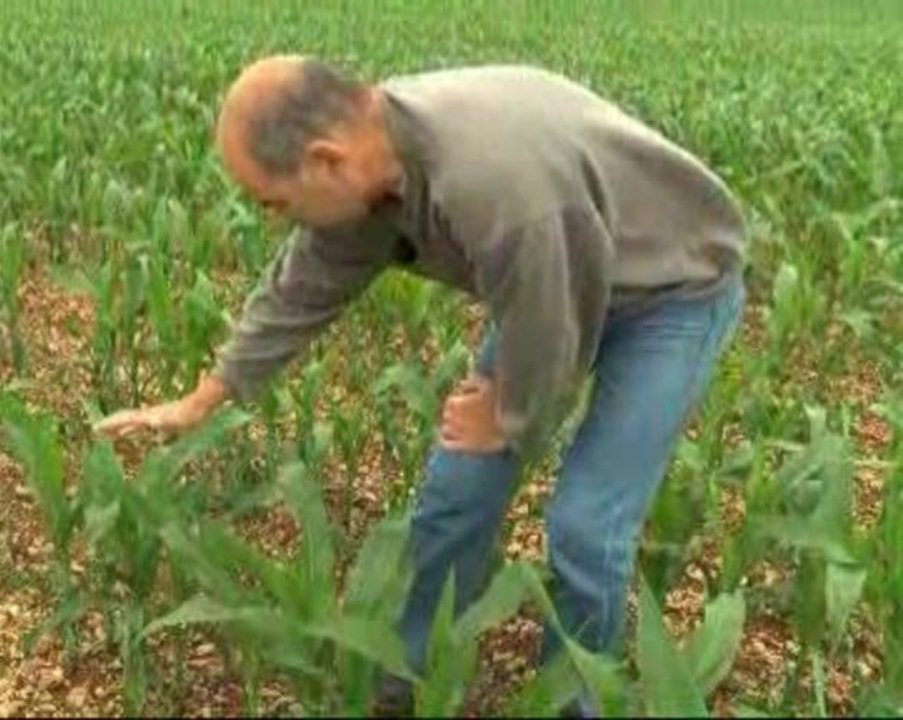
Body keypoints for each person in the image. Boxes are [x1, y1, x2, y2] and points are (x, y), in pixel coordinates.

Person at [93, 54, 747, 716]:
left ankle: (576, 701)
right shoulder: (373, 167)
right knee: (456, 489)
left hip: (671, 289)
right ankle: (399, 678)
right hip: (552, 279)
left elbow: (555, 318)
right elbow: (304, 284)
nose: (274, 219)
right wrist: (208, 395)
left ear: (325, 160)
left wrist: (511, 413)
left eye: (274, 202)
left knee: (584, 524)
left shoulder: (491, 181)